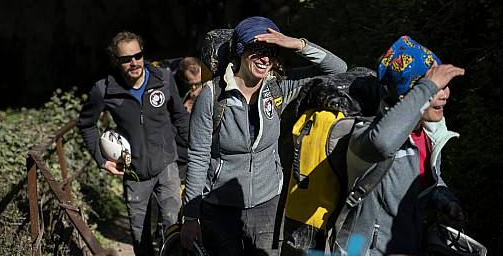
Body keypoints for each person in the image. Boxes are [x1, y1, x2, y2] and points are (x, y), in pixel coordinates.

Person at [180, 16, 348, 256]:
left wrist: (297, 44)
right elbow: (198, 157)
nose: (265, 58)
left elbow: (338, 69)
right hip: (219, 207)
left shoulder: (278, 87)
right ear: (240, 50)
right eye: (257, 49)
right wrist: (190, 216)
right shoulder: (212, 96)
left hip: (268, 203)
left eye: (271, 51)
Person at [333, 36, 466, 256]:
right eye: (437, 88)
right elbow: (383, 144)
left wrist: (445, 200)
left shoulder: (428, 134)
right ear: (410, 94)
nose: (445, 95)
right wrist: (428, 87)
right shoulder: (364, 135)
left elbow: (426, 179)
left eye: (444, 87)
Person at [77, 31, 189, 255]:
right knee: (141, 239)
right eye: (126, 59)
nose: (134, 62)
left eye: (137, 55)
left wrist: (194, 152)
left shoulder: (164, 79)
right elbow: (86, 124)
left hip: (167, 167)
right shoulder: (104, 89)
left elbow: (180, 117)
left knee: (175, 231)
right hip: (134, 175)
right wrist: (101, 160)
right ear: (116, 61)